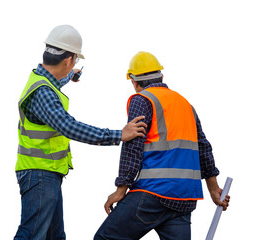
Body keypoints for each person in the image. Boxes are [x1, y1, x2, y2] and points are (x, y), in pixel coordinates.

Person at [14, 25, 147, 240]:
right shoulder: (43, 93)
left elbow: (54, 83)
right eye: (75, 61)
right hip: (39, 174)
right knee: (31, 235)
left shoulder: (42, 79)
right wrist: (118, 135)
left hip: (46, 173)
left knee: (55, 236)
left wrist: (69, 78)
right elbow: (70, 127)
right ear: (68, 60)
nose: (74, 64)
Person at [94, 51, 230, 240]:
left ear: (134, 82)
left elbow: (133, 145)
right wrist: (214, 189)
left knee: (106, 238)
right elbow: (203, 147)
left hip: (154, 192)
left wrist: (120, 189)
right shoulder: (185, 104)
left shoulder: (142, 99)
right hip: (185, 197)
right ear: (162, 77)